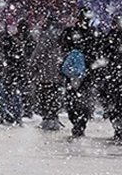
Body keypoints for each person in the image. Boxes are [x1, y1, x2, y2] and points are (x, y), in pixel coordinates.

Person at [60, 8, 98, 138]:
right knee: (81, 100)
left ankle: (78, 123)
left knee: (73, 100)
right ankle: (80, 123)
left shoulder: (71, 32)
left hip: (74, 74)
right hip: (83, 73)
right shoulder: (92, 33)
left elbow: (62, 47)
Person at [30, 16, 64, 131]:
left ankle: (48, 119)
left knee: (45, 96)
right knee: (54, 96)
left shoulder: (45, 37)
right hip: (57, 74)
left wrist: (32, 67)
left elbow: (37, 55)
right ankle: (54, 118)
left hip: (45, 74)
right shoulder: (61, 37)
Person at [3, 20, 36, 124]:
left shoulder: (28, 39)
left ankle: (25, 111)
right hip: (16, 68)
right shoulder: (14, 39)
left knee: (22, 91)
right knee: (16, 91)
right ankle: (18, 112)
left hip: (21, 68)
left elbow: (31, 52)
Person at [100, 15, 122, 140]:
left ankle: (119, 129)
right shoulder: (110, 38)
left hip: (113, 76)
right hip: (113, 77)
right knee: (115, 104)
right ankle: (118, 129)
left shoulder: (110, 38)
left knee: (115, 104)